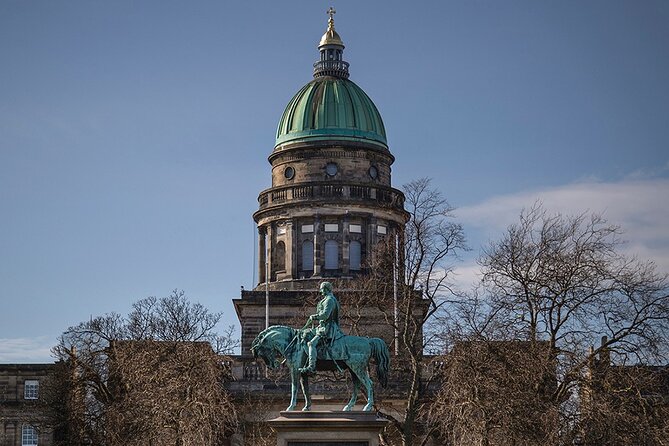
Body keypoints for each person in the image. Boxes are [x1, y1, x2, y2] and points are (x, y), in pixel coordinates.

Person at [299, 281, 344, 374]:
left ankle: (311, 367)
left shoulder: (330, 300)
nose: (320, 291)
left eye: (322, 289)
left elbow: (325, 315)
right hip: (321, 327)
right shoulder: (326, 299)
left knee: (311, 343)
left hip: (328, 328)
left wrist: (314, 316)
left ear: (326, 289)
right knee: (305, 333)